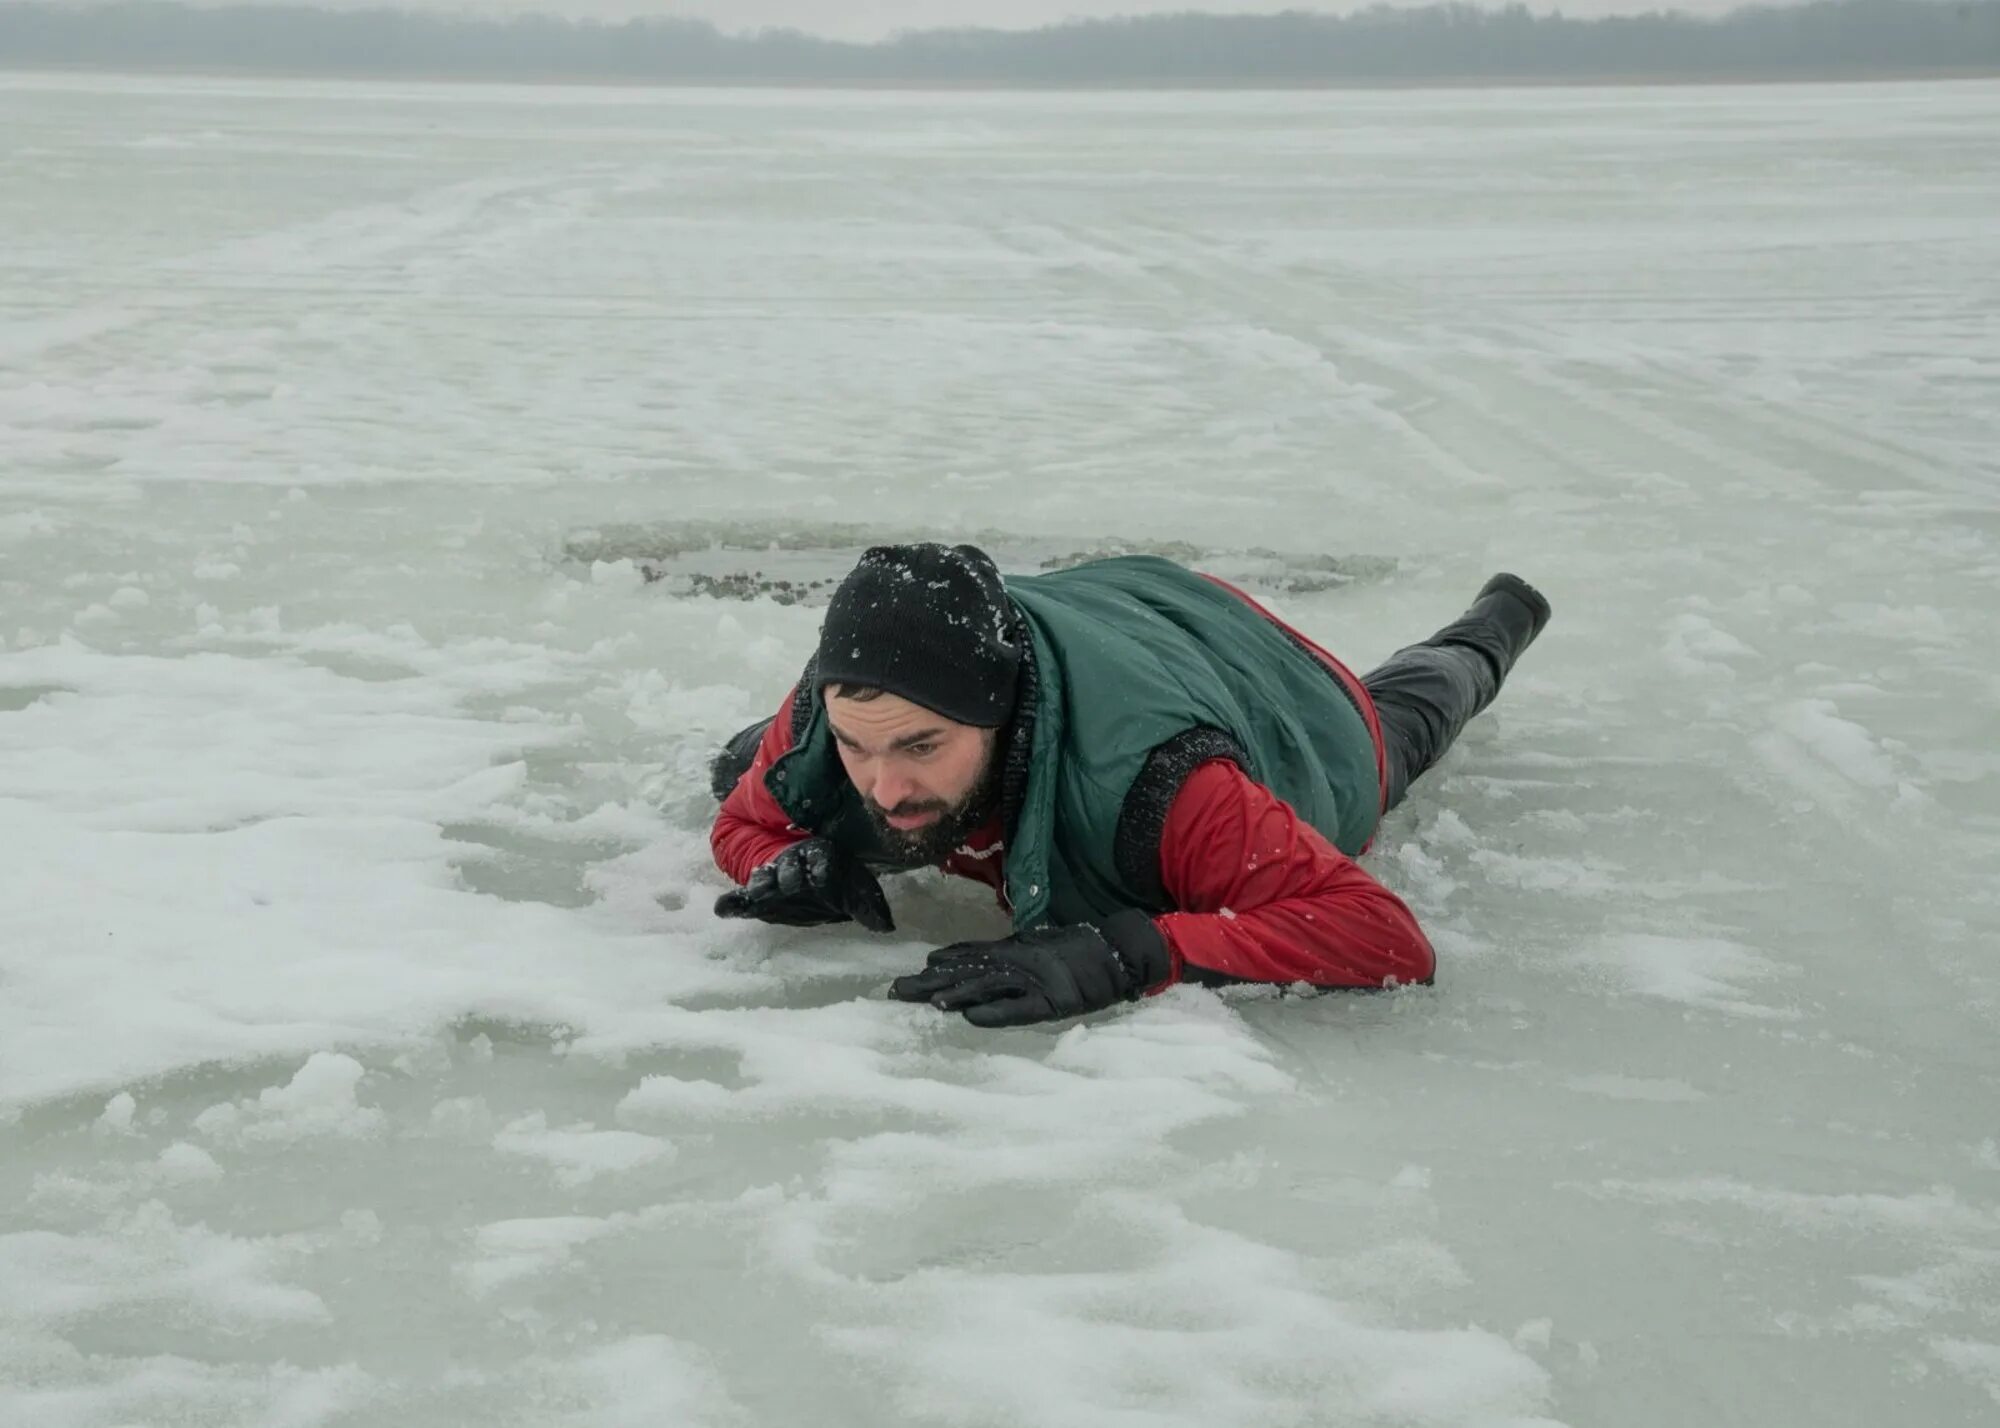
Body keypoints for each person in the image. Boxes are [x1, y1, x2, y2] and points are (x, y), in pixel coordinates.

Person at [708, 544, 1549, 1028]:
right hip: (1099, 612)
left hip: (1273, 688)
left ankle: (1495, 626)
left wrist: (1133, 952)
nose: (885, 789)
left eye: (923, 746)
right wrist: (785, 860)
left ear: (999, 716)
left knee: (1404, 719)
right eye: (860, 748)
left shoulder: (1165, 782)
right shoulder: (826, 717)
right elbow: (748, 824)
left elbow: (1380, 936)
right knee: (744, 767)